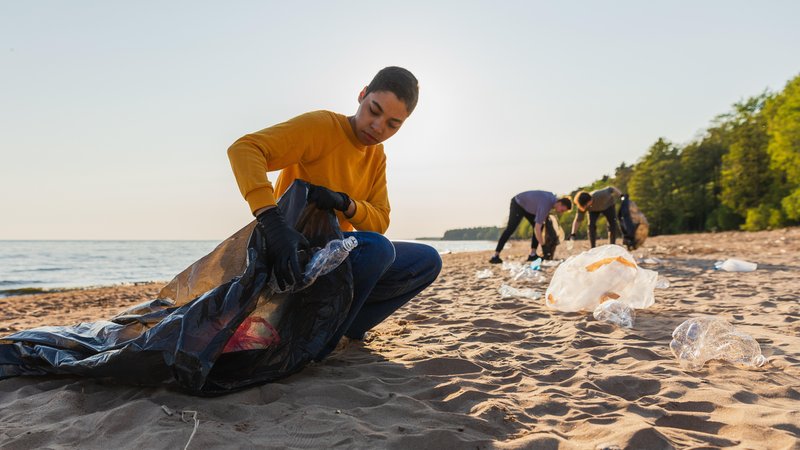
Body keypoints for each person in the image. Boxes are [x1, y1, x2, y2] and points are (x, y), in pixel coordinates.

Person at [227, 66, 442, 359]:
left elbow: (380, 219)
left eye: (393, 124)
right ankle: (317, 340)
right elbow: (245, 149)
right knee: (378, 250)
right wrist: (271, 221)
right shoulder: (322, 126)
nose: (378, 127)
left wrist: (345, 203)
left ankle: (343, 328)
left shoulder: (376, 156)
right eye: (373, 111)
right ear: (361, 94)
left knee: (427, 260)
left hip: (334, 256)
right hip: (292, 249)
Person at [488, 191, 573, 264]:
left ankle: (532, 255)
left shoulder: (552, 199)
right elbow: (537, 228)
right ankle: (495, 256)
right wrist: (543, 246)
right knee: (511, 228)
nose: (561, 212)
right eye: (562, 210)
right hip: (518, 203)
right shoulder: (546, 204)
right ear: (560, 203)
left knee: (540, 225)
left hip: (529, 208)